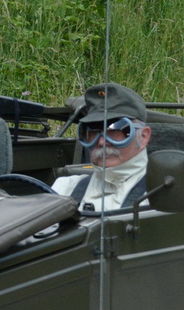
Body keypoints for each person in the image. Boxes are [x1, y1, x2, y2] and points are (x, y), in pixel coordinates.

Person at [52, 82, 152, 213]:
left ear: (143, 136)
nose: (101, 142)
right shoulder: (65, 189)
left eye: (115, 130)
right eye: (92, 131)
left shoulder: (162, 195)